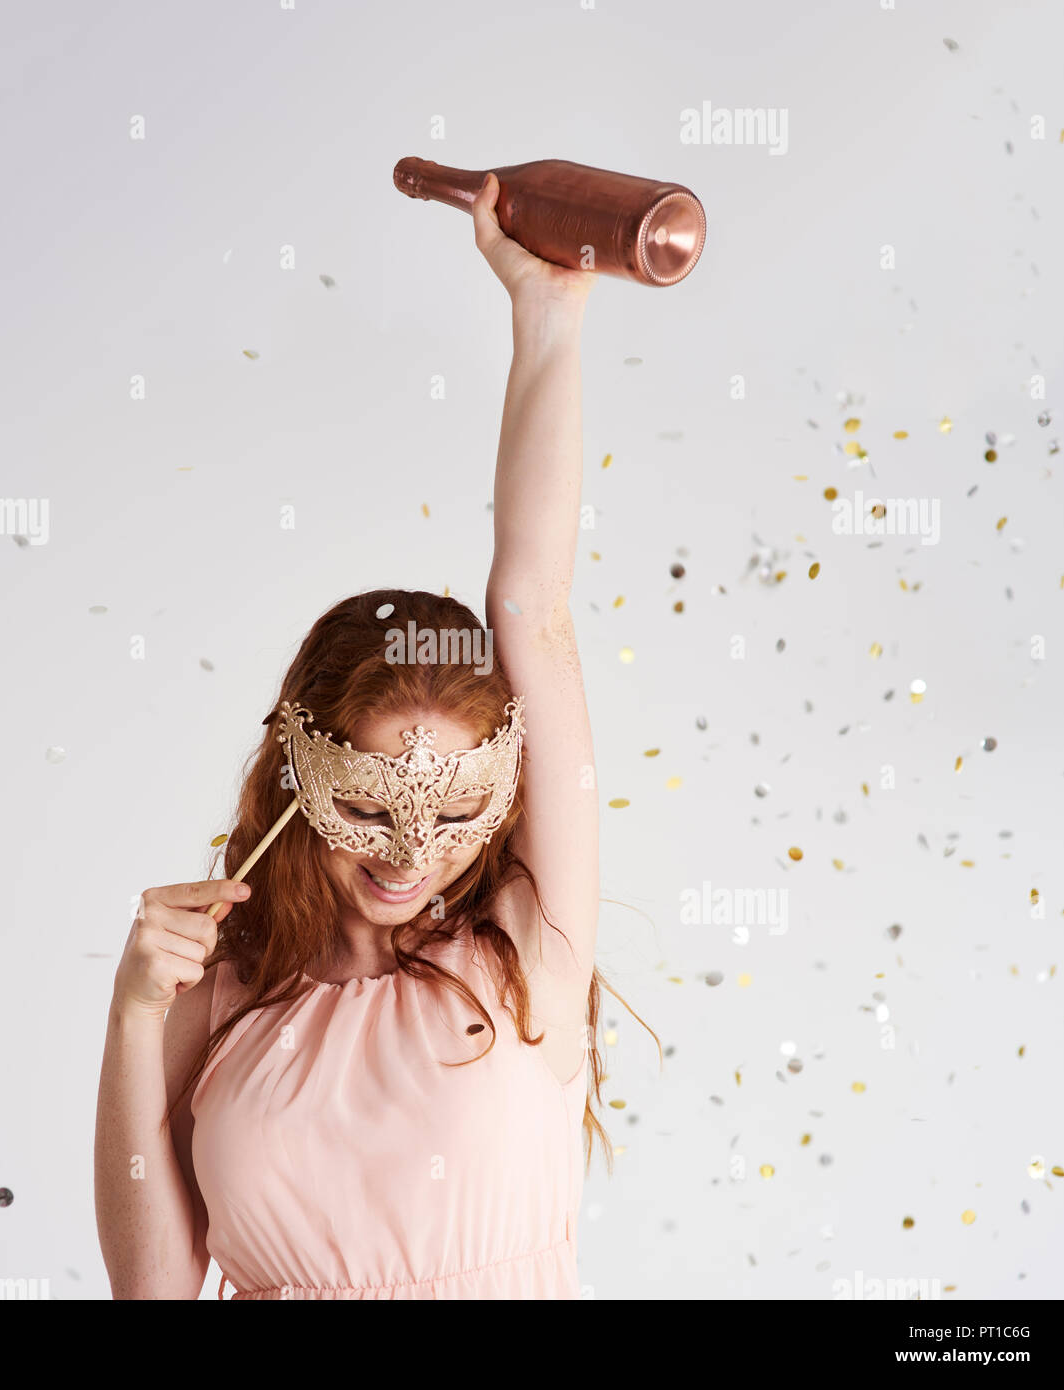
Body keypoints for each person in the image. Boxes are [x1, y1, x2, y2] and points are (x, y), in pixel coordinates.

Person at [94, 173, 656, 1300]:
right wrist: (135, 1009)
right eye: (366, 805)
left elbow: (533, 609)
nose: (410, 851)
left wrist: (547, 315)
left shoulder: (524, 950)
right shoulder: (219, 998)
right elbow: (151, 1298)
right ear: (298, 767)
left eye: (454, 814)